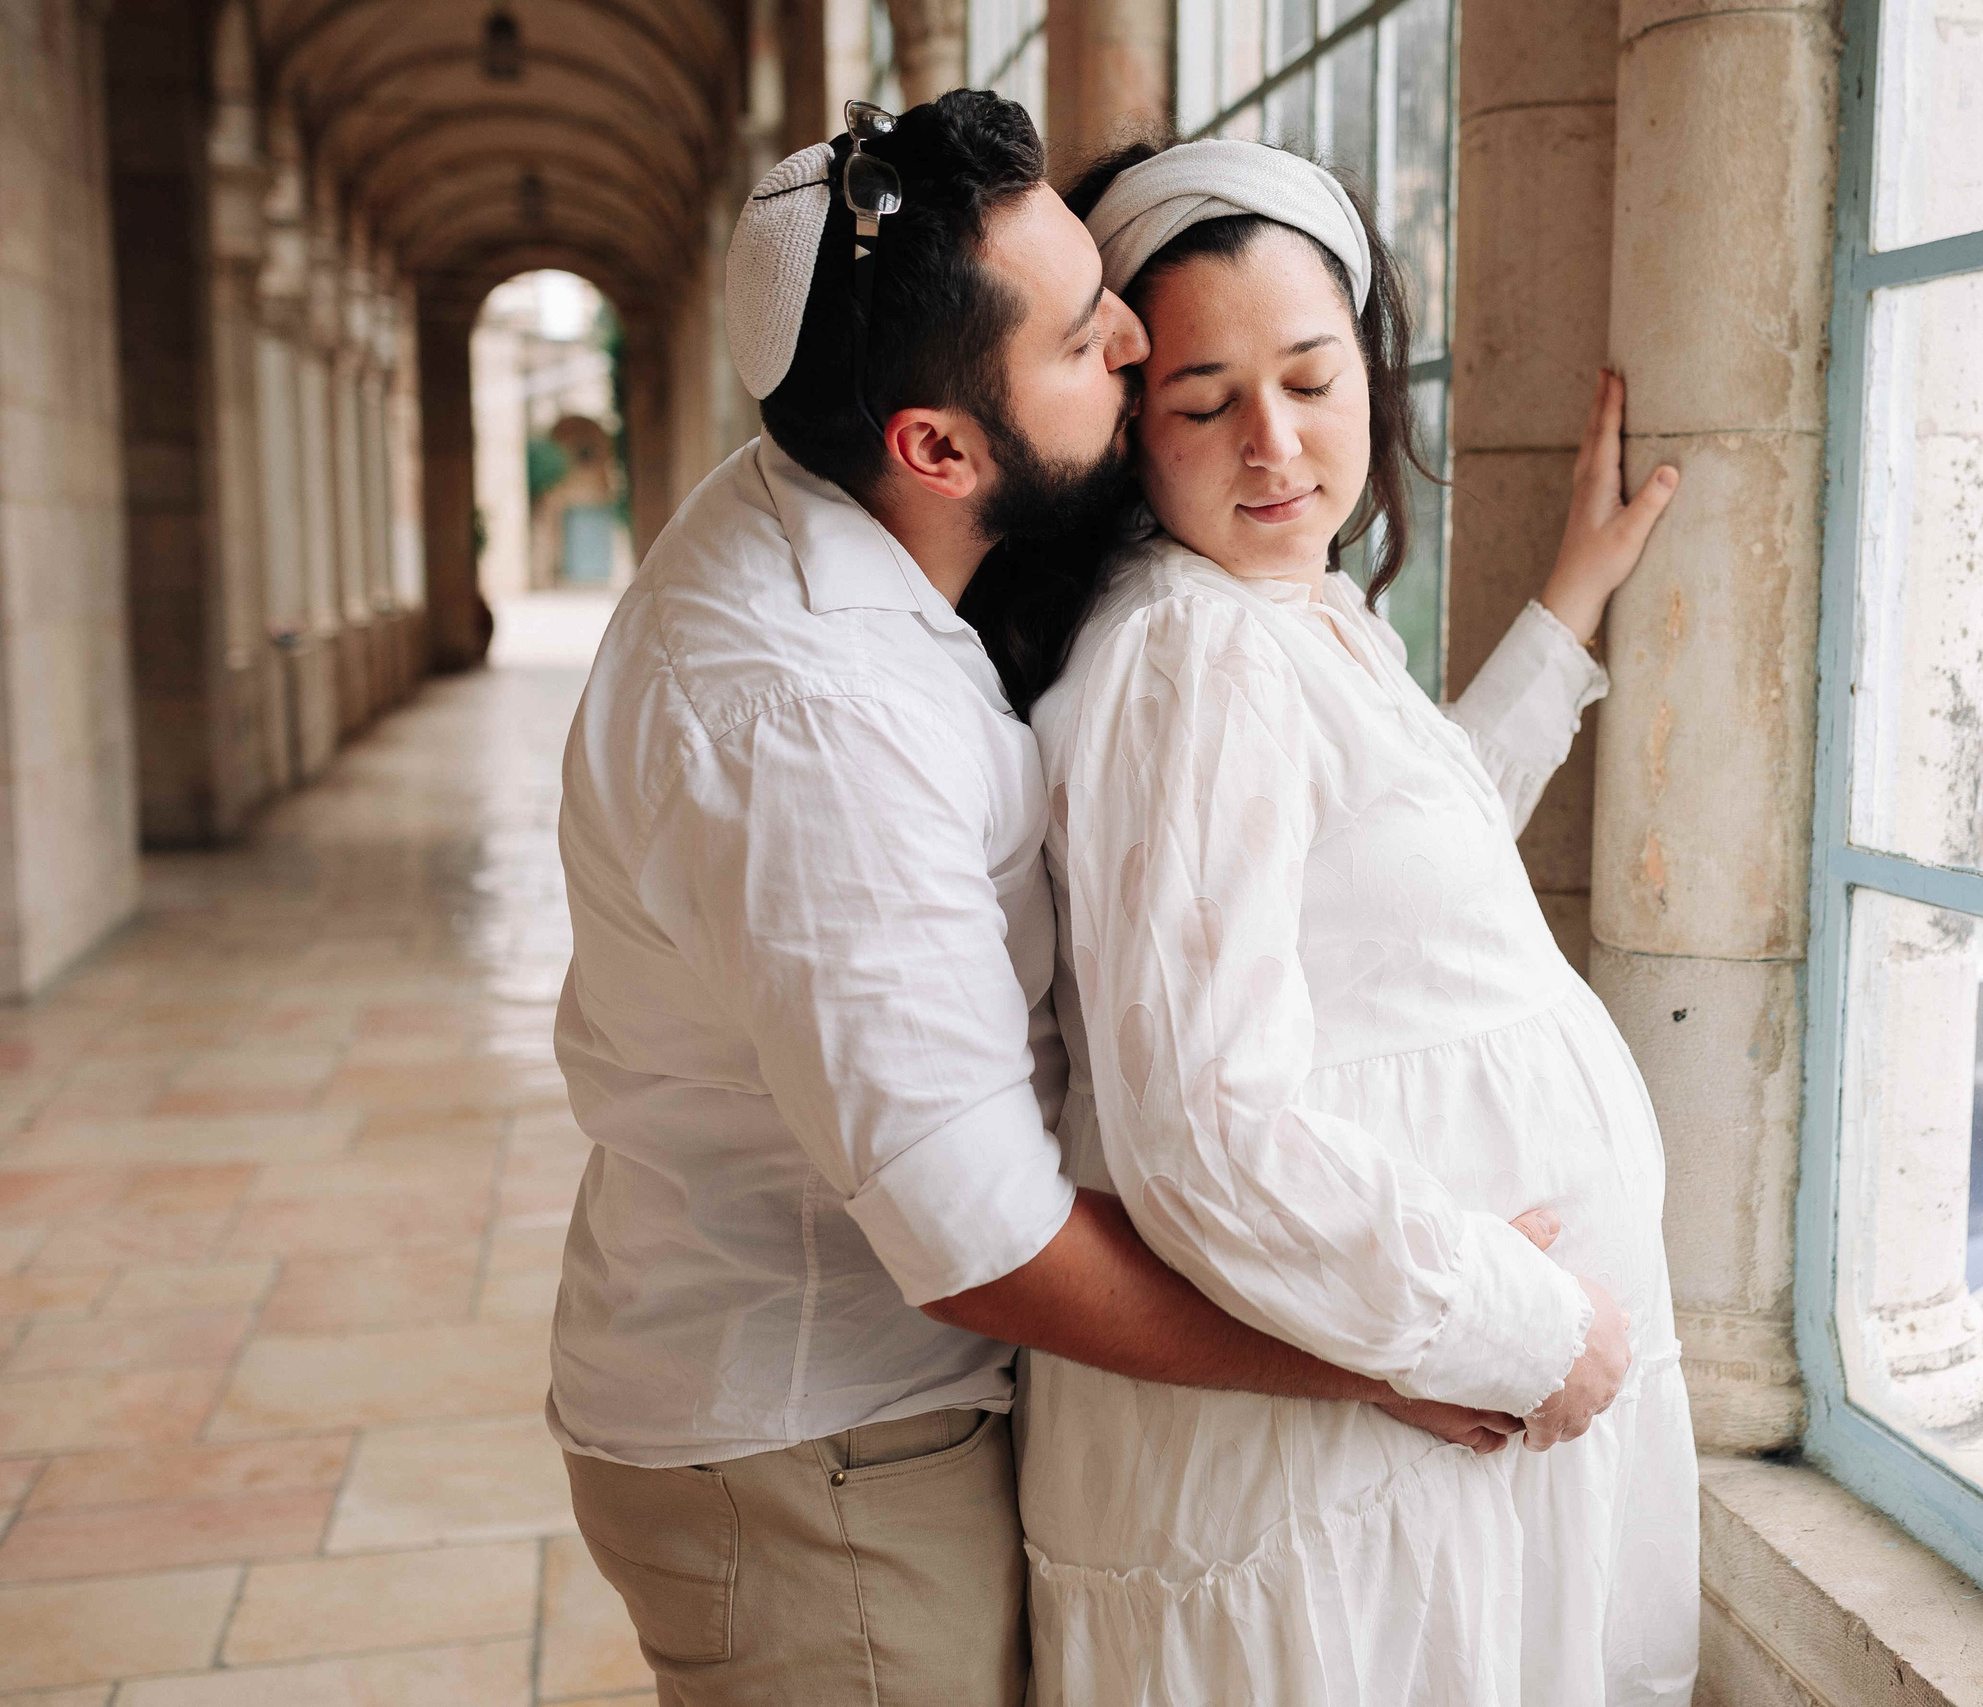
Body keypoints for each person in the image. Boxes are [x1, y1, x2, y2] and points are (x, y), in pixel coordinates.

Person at [546, 92, 1624, 1707]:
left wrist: (1561, 622)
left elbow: (1382, 850)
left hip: (872, 1414)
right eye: (1086, 339)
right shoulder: (814, 725)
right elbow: (985, 1238)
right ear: (937, 447)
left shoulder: (868, 524)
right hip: (820, 1452)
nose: (1131, 337)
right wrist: (1393, 1352)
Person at [1001, 137, 1702, 1706]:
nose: (1275, 445)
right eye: (1204, 405)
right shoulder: (1195, 658)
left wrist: (1566, 611)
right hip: (1342, 1455)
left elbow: (1409, 868)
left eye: (1313, 382)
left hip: (1399, 1430)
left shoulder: (1289, 616)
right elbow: (1205, 1127)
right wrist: (1508, 1332)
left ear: (1372, 379)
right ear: (1128, 428)